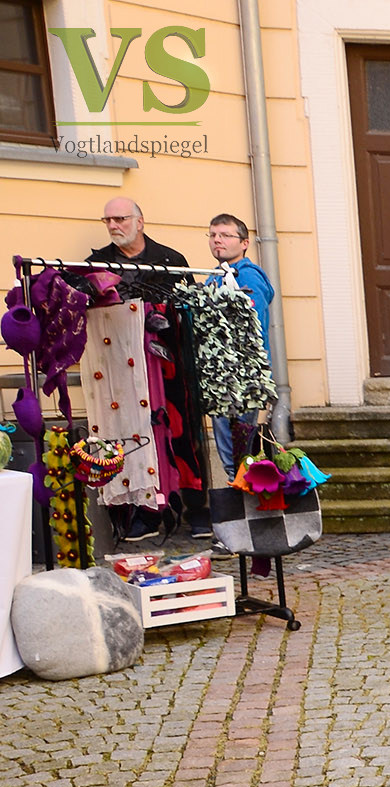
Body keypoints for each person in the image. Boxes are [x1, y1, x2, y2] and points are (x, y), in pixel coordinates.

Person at [91, 198, 205, 541]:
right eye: (108, 219)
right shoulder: (96, 264)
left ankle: (196, 508)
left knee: (181, 433)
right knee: (132, 435)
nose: (113, 225)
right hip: (120, 371)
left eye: (121, 218)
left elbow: (189, 310)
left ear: (140, 222)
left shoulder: (170, 261)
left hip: (168, 365)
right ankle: (144, 513)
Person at [206, 212, 275, 478]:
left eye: (225, 235)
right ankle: (238, 496)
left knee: (239, 449)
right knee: (230, 446)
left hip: (242, 375)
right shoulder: (215, 276)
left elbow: (253, 325)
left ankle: (244, 505)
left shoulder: (247, 277)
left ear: (244, 243)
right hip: (221, 376)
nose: (217, 241)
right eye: (212, 235)